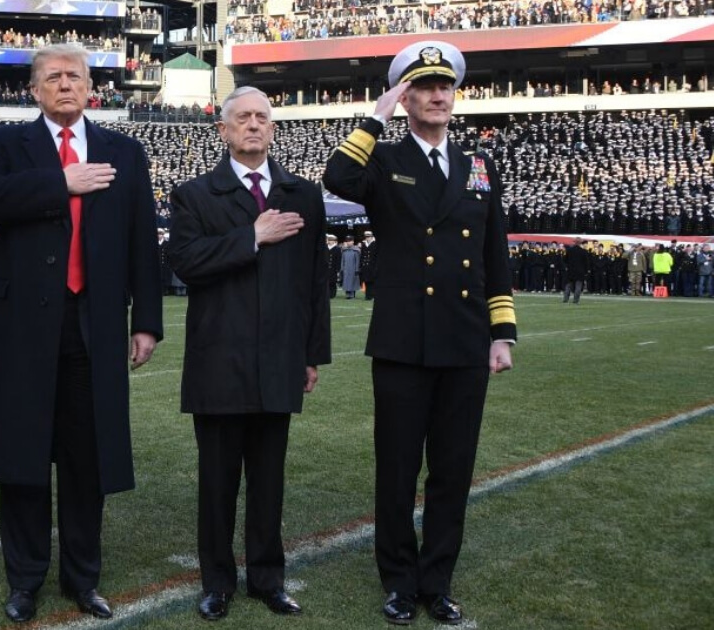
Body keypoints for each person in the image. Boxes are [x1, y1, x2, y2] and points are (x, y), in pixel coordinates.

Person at [0, 43, 163, 624]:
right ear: (34, 89)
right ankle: (24, 581)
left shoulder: (125, 150)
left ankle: (83, 578)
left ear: (91, 84)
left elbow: (142, 239)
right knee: (22, 454)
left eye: (74, 75)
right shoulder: (5, 144)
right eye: (53, 77)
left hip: (92, 324)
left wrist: (146, 320)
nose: (65, 84)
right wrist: (60, 182)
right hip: (22, 325)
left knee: (86, 458)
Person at [323, 40, 517, 626]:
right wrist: (372, 119)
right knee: (398, 467)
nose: (437, 95)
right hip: (404, 339)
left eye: (445, 87)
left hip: (462, 340)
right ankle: (399, 583)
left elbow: (494, 256)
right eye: (423, 87)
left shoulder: (478, 167)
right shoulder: (383, 159)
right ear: (404, 97)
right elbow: (337, 178)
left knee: (453, 469)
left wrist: (501, 332)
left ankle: (438, 582)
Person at [166, 85, 331, 621]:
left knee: (269, 483)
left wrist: (312, 355)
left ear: (273, 129)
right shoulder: (194, 194)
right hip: (219, 361)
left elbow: (314, 281)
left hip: (280, 360)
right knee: (217, 485)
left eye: (263, 117)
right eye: (243, 118)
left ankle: (268, 578)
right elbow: (185, 262)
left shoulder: (302, 194)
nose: (254, 125)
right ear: (224, 130)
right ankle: (216, 582)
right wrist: (251, 236)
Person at [562, 237, 589, 304]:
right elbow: (586, 263)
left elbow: (564, 260)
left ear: (574, 242)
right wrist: (586, 271)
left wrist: (567, 266)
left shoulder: (569, 250)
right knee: (578, 286)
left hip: (570, 271)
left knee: (568, 285)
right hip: (580, 272)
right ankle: (576, 300)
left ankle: (565, 299)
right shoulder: (584, 251)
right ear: (580, 243)